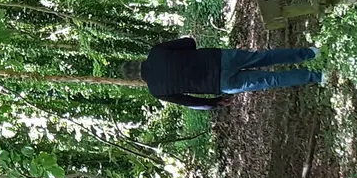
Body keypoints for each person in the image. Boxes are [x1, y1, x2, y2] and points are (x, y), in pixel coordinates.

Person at [122, 39, 323, 110]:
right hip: (219, 59)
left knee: (269, 80)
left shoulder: (157, 91)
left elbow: (190, 102)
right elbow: (190, 42)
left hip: (219, 83)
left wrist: (215, 102)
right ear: (137, 61)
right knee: (264, 57)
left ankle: (316, 76)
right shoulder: (156, 52)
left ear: (135, 79)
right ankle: (310, 53)